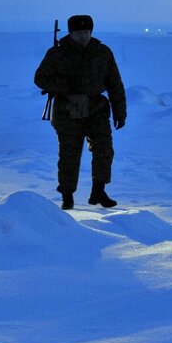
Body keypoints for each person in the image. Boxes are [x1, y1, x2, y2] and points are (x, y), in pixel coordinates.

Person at [33, 15, 126, 210]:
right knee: (69, 154)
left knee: (104, 149)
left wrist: (120, 111)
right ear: (71, 33)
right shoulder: (57, 53)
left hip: (96, 109)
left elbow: (114, 83)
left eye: (86, 32)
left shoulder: (103, 52)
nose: (83, 36)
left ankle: (98, 191)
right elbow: (40, 78)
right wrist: (65, 85)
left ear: (91, 31)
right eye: (78, 32)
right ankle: (67, 195)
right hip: (67, 110)